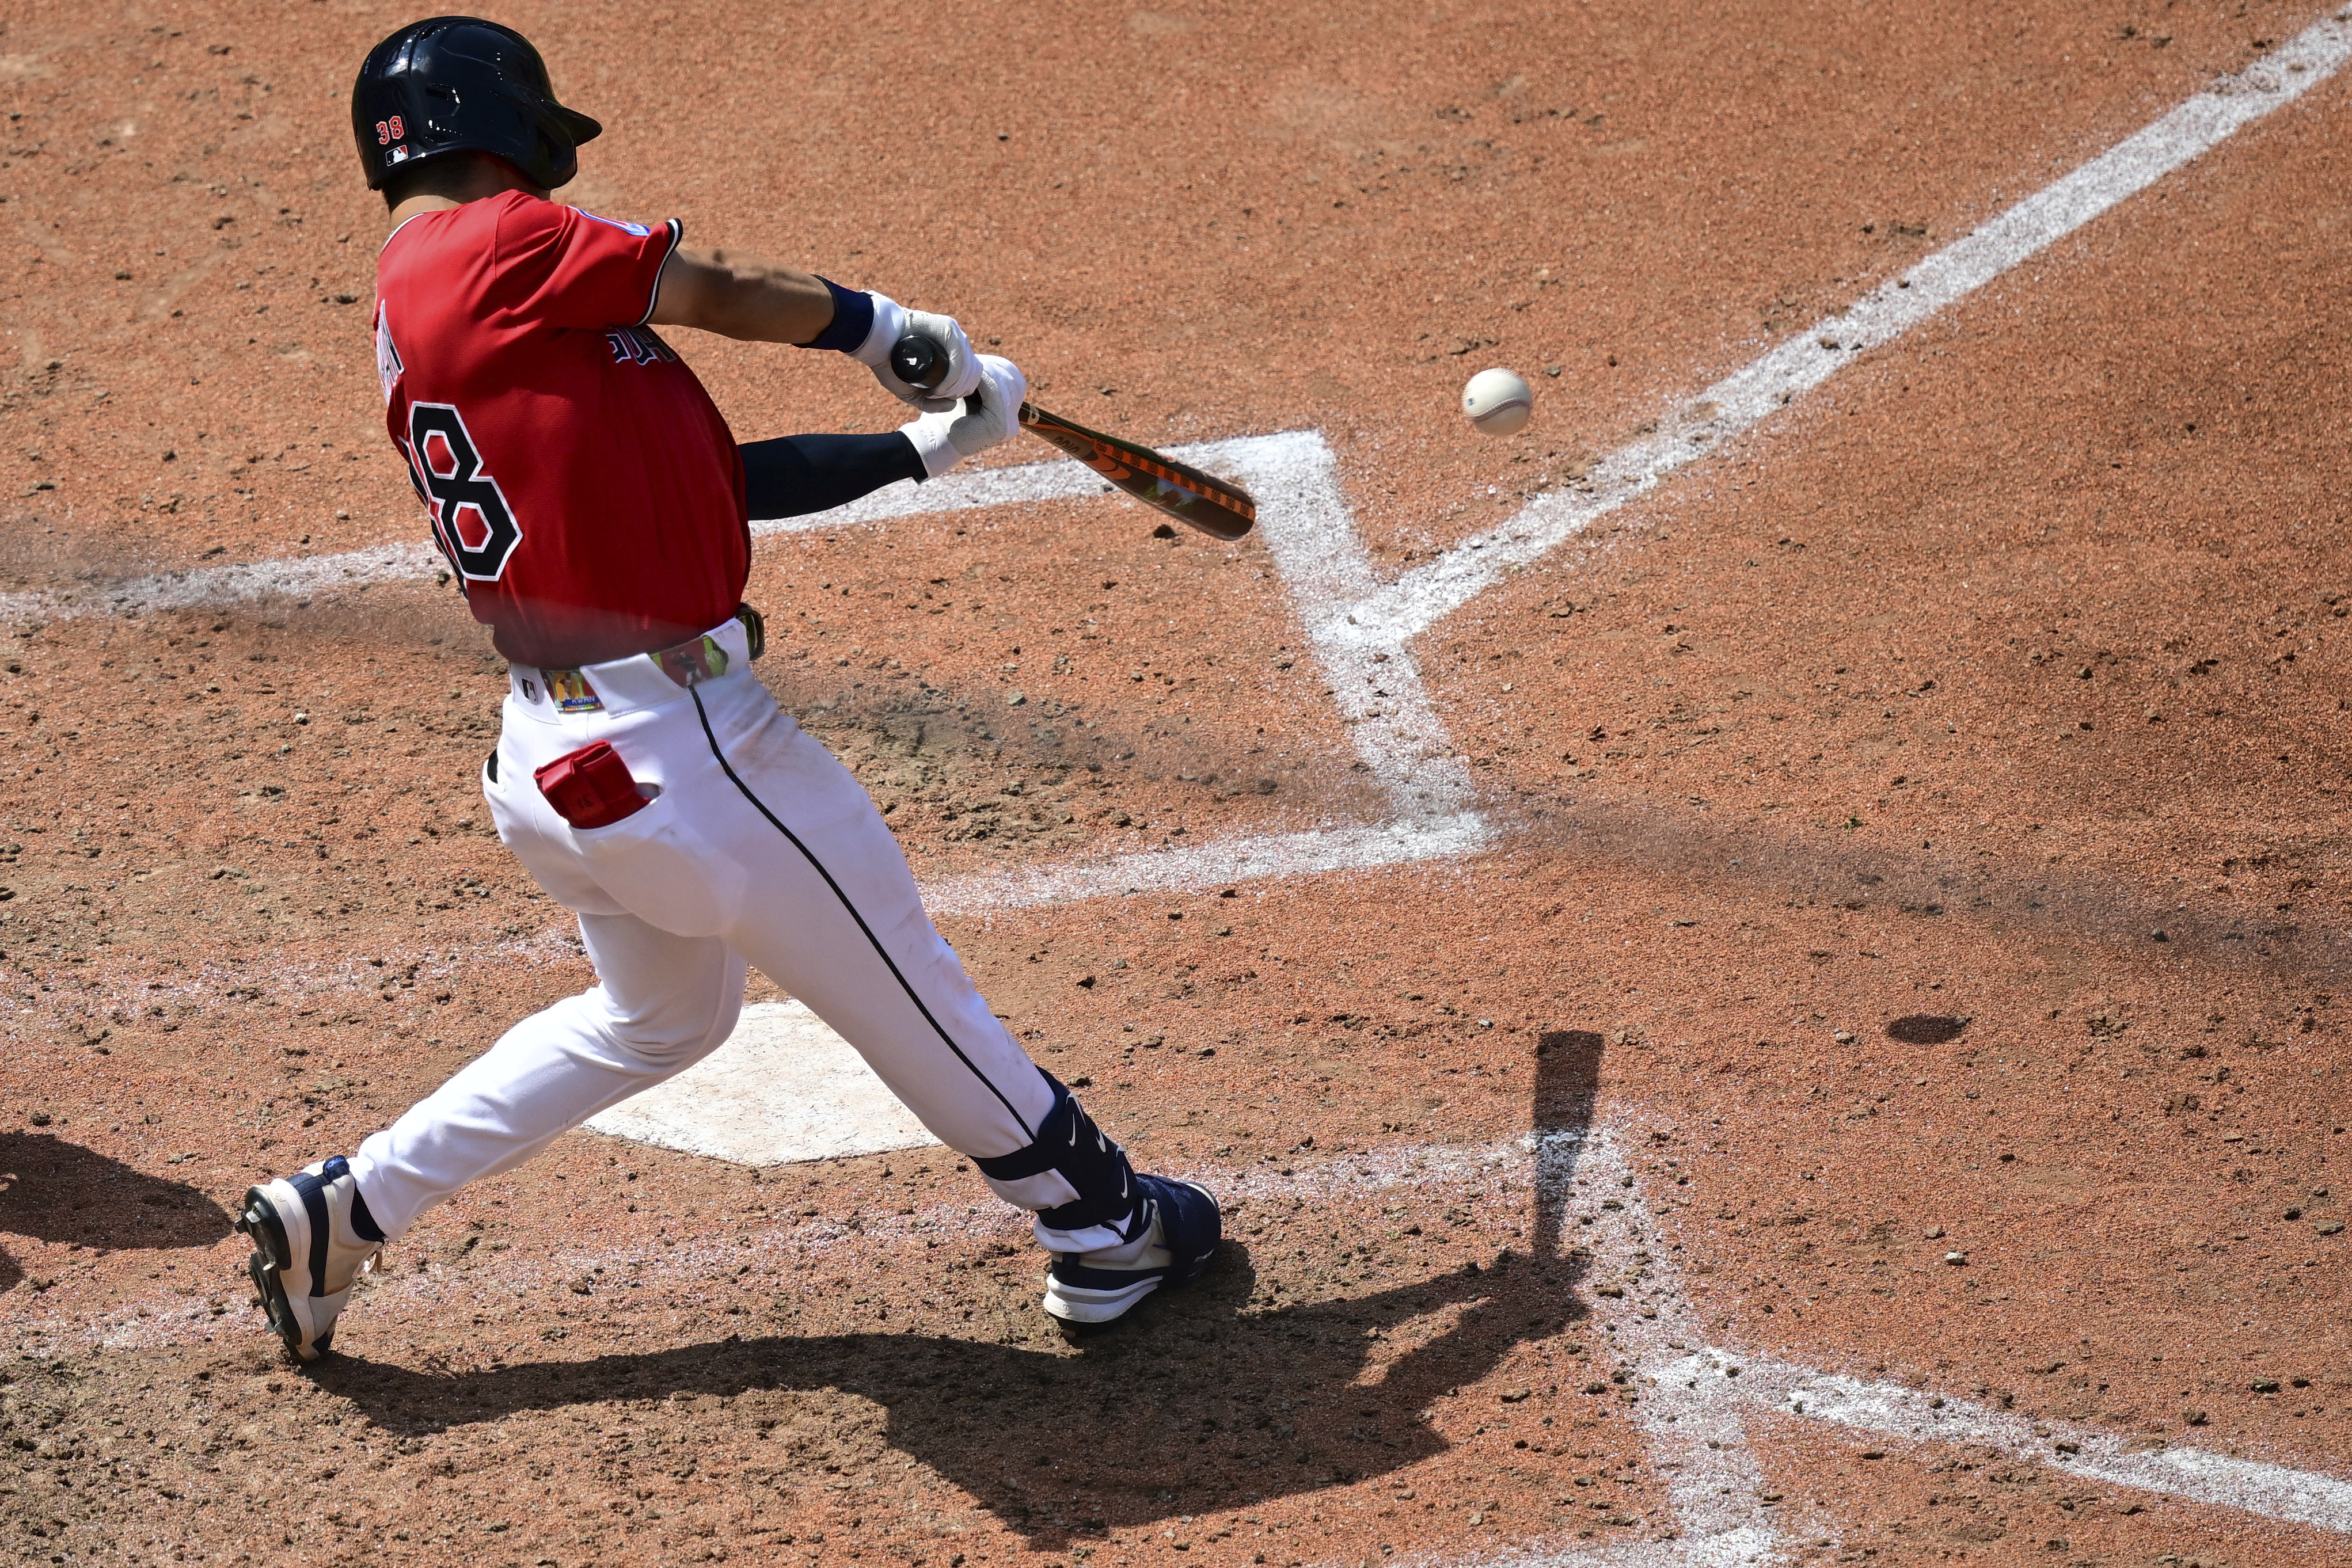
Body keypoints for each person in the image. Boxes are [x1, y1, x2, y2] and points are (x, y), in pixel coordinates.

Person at [233, 14, 1218, 1364]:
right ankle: (1106, 1228)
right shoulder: (502, 243)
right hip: (688, 751)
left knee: (660, 1020)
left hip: (561, 762)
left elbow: (696, 483)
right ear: (496, 127)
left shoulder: (437, 304)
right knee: (909, 984)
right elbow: (722, 284)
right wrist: (884, 328)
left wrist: (924, 448)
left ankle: (347, 1208)